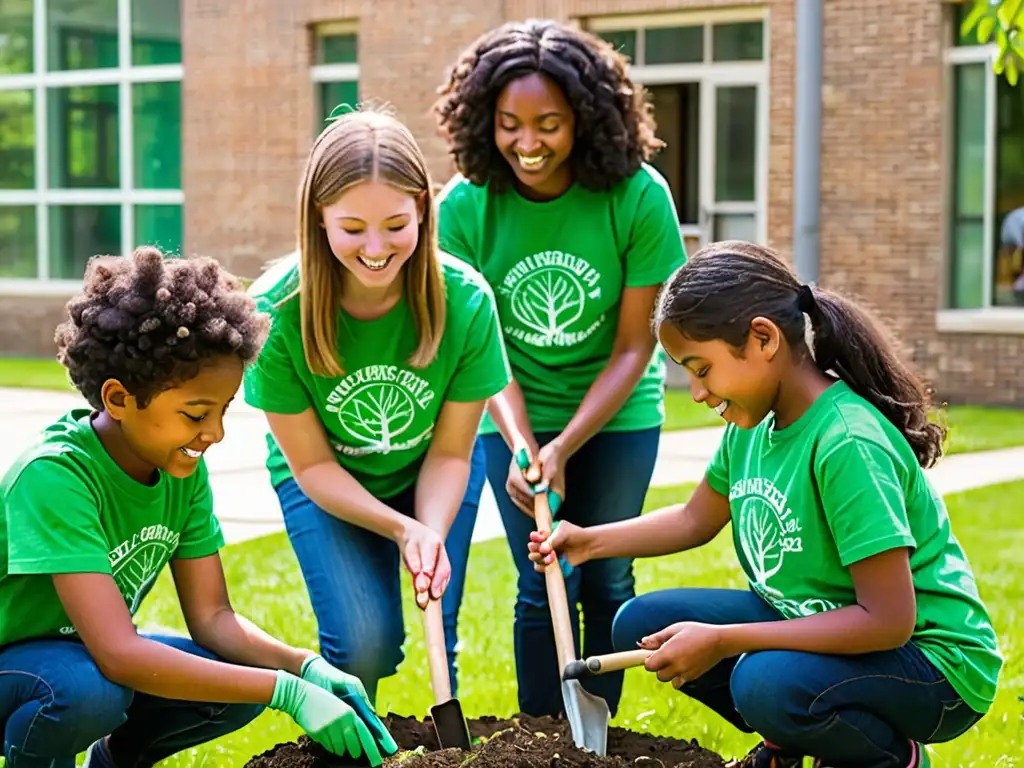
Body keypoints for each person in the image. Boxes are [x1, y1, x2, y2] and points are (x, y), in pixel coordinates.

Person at [528, 240, 1003, 768]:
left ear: (763, 338)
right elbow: (694, 519)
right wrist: (588, 542)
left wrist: (725, 640)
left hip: (932, 665)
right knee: (642, 621)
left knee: (761, 682)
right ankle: (796, 739)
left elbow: (889, 618)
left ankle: (890, 757)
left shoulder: (846, 442)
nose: (699, 394)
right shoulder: (753, 426)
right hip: (826, 622)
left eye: (701, 369)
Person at [0, 246, 399, 768]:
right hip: (22, 664)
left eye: (224, 408)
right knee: (90, 690)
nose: (215, 432)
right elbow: (118, 652)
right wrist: (284, 692)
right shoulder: (55, 475)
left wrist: (305, 667)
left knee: (225, 683)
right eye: (195, 414)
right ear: (119, 399)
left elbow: (213, 617)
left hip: (75, 659)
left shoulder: (180, 471)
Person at [432, 18, 688, 718]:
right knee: (538, 577)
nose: (527, 143)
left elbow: (638, 346)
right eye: (510, 123)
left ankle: (593, 742)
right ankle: (542, 738)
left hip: (617, 416)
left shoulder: (637, 196)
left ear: (588, 118)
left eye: (548, 123)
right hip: (508, 413)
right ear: (485, 121)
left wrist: (565, 445)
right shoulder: (462, 207)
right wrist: (525, 447)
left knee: (606, 577)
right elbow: (480, 348)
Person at [242, 106, 512, 703]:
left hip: (432, 473)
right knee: (366, 643)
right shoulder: (276, 313)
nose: (375, 248)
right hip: (325, 482)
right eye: (352, 227)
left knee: (437, 614)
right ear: (318, 216)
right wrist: (398, 527)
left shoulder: (465, 302)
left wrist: (427, 534)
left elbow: (449, 453)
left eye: (395, 224)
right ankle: (344, 744)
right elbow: (312, 466)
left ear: (422, 206)